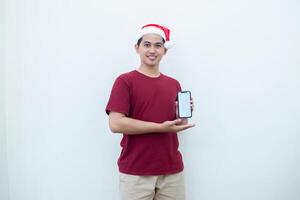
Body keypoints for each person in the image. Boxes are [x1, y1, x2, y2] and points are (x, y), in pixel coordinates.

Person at [105, 24, 195, 200]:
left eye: (158, 45)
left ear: (164, 51)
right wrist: (161, 127)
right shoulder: (125, 81)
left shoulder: (174, 84)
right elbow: (115, 124)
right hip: (136, 172)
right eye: (146, 44)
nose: (152, 50)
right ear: (137, 48)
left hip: (172, 171)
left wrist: (183, 116)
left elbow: (177, 125)